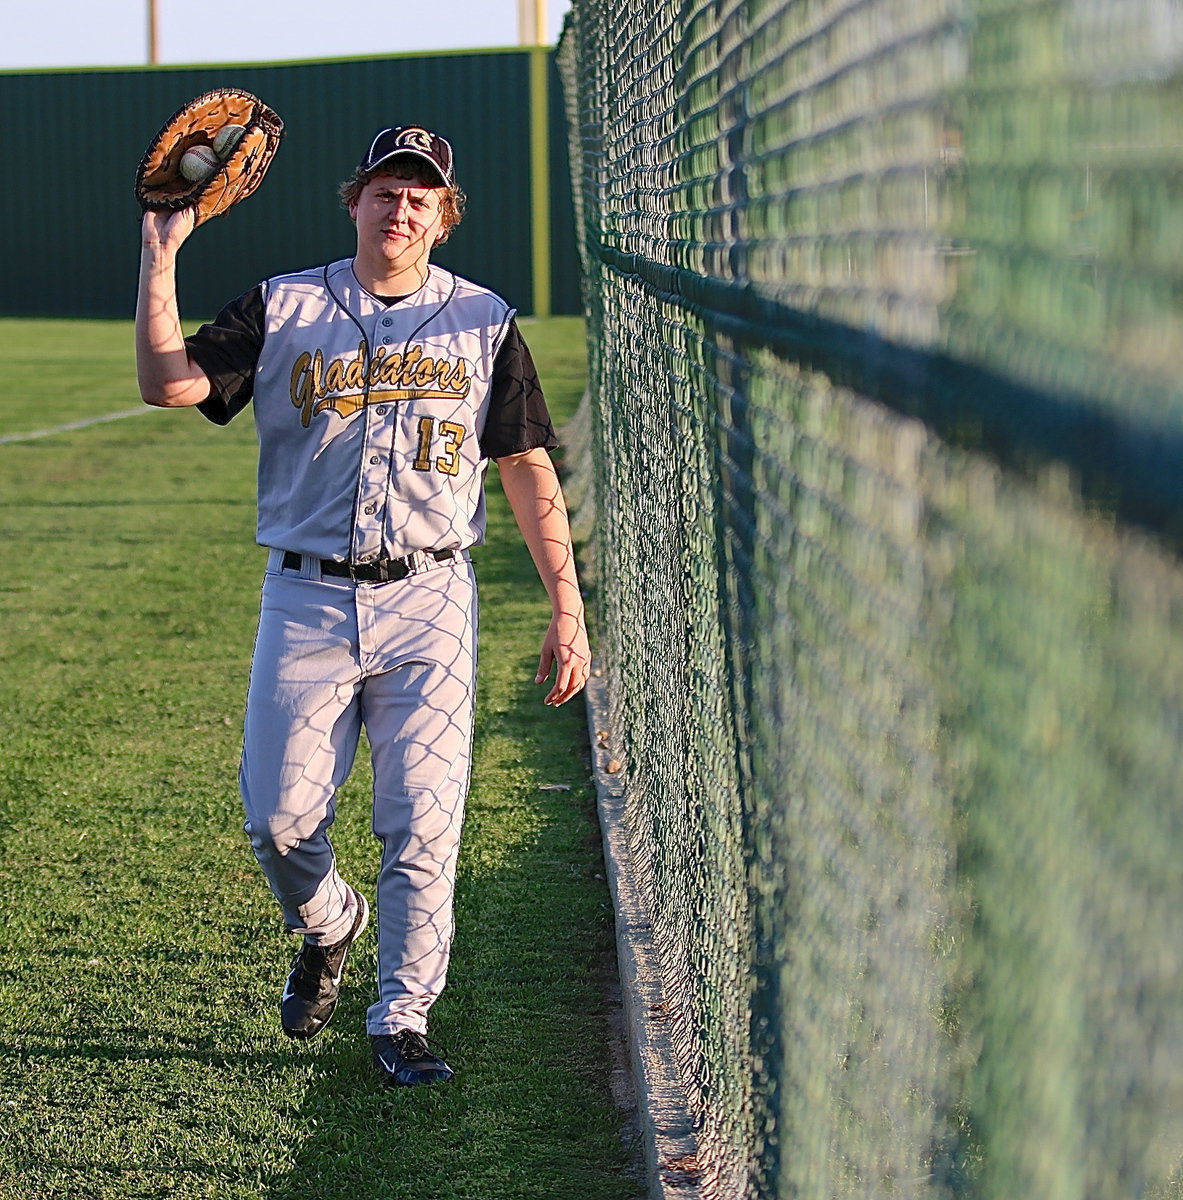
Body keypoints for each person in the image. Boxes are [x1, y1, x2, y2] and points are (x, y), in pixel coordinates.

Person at [135, 125, 591, 1087]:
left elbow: (523, 461)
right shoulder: (285, 304)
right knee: (279, 821)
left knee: (424, 818)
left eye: (421, 196)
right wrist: (159, 259)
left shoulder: (483, 319)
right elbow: (169, 385)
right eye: (386, 190)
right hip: (305, 595)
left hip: (432, 596)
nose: (402, 207)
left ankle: (401, 1018)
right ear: (354, 202)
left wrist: (567, 607)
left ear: (444, 214)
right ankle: (329, 924)